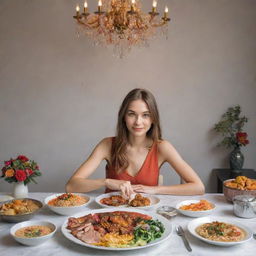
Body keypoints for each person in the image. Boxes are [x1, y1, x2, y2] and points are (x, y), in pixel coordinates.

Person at [66, 88, 205, 197]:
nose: (138, 122)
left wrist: (155, 190)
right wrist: (106, 182)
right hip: (110, 219)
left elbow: (198, 187)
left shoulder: (163, 147)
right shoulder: (107, 145)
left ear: (153, 119)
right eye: (131, 114)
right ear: (123, 117)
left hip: (147, 220)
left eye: (145, 115)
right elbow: (71, 186)